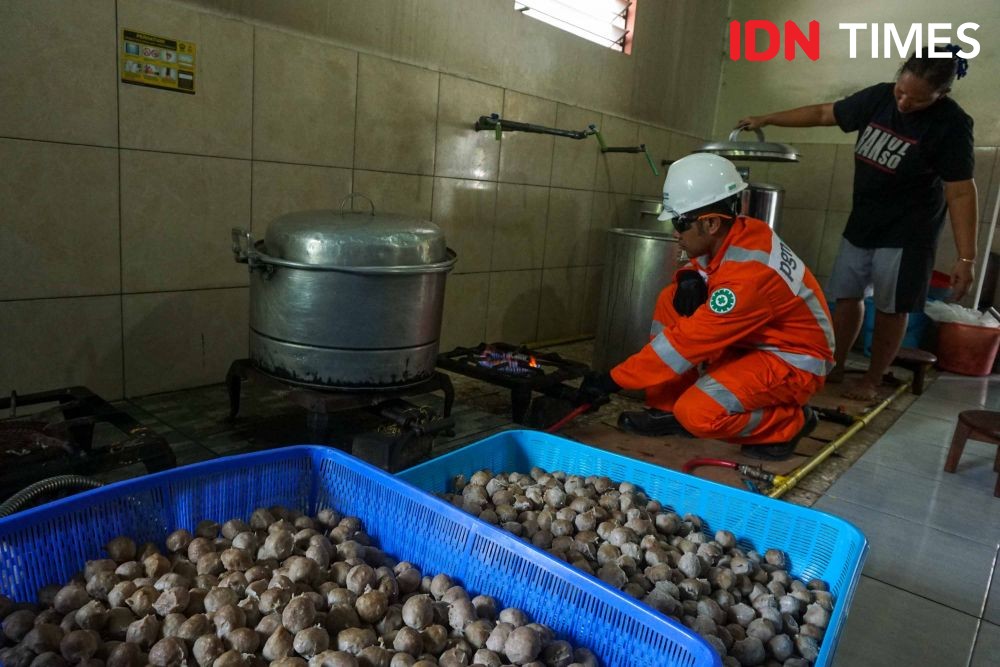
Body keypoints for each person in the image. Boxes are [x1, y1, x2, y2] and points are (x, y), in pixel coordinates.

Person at [736, 45, 977, 401]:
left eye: (918, 100)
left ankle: (873, 379)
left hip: (908, 233)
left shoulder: (953, 125)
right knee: (845, 297)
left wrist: (966, 257)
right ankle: (833, 365)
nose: (904, 103)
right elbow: (822, 113)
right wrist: (767, 118)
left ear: (942, 94)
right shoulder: (879, 97)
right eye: (901, 91)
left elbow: (960, 193)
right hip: (863, 221)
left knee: (890, 308)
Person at [578, 153, 835, 461]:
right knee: (670, 299)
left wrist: (612, 380)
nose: (675, 233)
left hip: (793, 360)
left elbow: (686, 344)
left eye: (680, 222)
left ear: (711, 223)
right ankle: (665, 409)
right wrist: (689, 276)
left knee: (699, 414)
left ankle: (789, 423)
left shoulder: (749, 280)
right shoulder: (742, 230)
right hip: (760, 339)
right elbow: (716, 268)